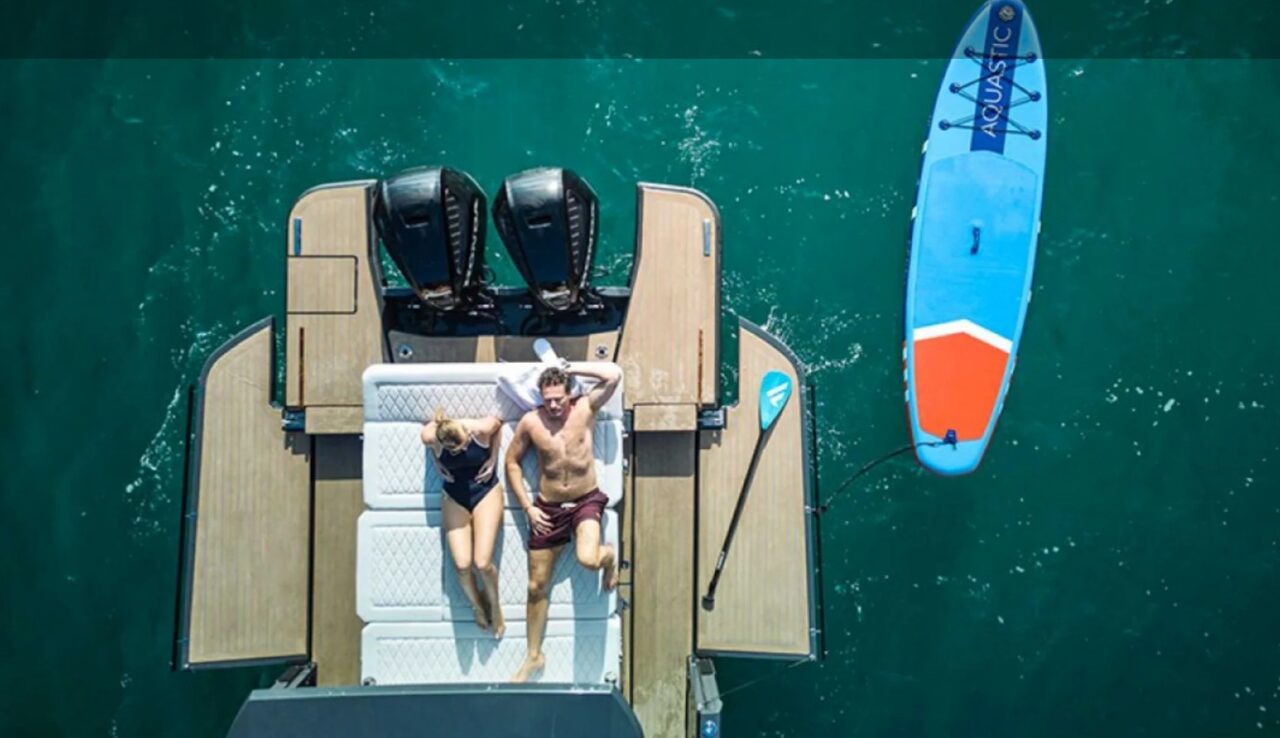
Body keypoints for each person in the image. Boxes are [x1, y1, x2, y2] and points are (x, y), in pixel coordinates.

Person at [505, 363, 621, 682]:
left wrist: (572, 367)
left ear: (570, 392)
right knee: (535, 586)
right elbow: (511, 462)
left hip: (585, 500)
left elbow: (613, 377)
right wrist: (527, 507)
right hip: (548, 507)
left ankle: (608, 556)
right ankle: (534, 656)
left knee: (587, 558)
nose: (554, 405)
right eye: (548, 399)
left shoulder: (585, 408)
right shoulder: (531, 422)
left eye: (559, 398)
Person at [421, 408, 506, 638]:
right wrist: (437, 463)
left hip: (485, 492)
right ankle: (477, 605)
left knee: (482, 562)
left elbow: (498, 423)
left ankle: (495, 606)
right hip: (454, 495)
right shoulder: (433, 436)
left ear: (467, 435)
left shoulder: (480, 429)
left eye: (463, 447)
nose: (462, 451)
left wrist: (492, 458)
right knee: (461, 564)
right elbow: (427, 434)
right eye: (454, 451)